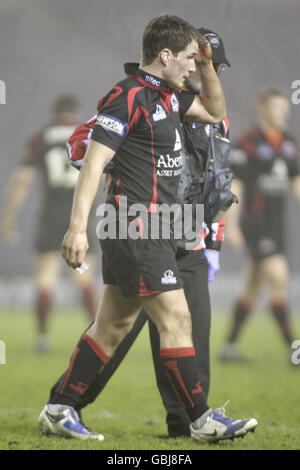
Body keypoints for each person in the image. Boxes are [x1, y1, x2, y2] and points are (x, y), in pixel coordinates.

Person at [38, 15, 257, 443]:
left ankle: (59, 408)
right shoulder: (127, 96)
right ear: (166, 55)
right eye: (192, 59)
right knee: (176, 317)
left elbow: (215, 111)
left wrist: (210, 66)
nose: (194, 68)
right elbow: (95, 164)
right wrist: (76, 228)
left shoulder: (168, 98)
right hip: (136, 224)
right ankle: (200, 420)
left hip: (154, 227)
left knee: (112, 327)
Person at [1, 95, 97, 352]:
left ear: (53, 112)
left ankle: (43, 337)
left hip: (50, 217)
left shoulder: (40, 138)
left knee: (45, 278)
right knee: (84, 277)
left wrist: (9, 217)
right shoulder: (86, 134)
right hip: (80, 215)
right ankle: (96, 336)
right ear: (75, 112)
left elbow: (22, 180)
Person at [219, 87, 300, 362]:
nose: (285, 112)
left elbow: (296, 183)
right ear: (263, 109)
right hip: (256, 223)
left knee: (252, 286)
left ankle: (229, 346)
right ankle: (294, 349)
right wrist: (232, 226)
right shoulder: (247, 143)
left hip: (278, 226)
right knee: (278, 277)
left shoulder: (290, 143)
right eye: (278, 108)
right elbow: (236, 185)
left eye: (285, 108)